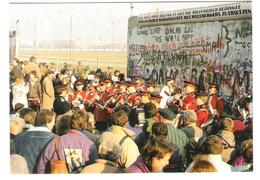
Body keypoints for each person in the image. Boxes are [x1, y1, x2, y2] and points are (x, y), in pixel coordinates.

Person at [36, 109, 99, 173]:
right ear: (85, 125)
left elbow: (42, 164)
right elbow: (95, 167)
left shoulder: (56, 141)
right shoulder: (90, 144)